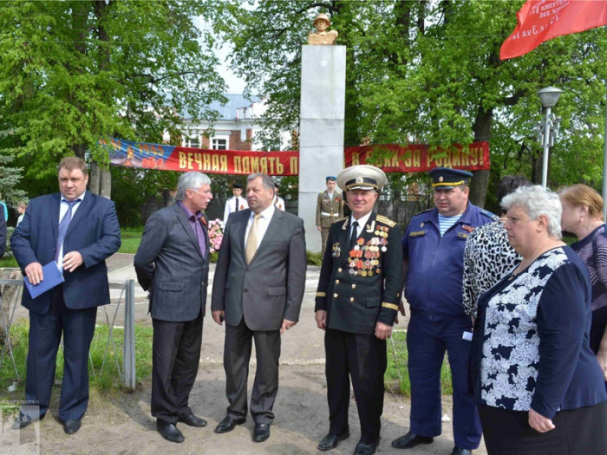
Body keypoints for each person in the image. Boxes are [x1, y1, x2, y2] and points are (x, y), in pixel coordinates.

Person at [470, 185, 607, 454]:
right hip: (509, 401)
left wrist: (544, 405)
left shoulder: (561, 269)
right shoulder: (529, 261)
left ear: (541, 223)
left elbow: (563, 343)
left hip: (550, 412)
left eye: (514, 219)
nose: (505, 225)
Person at [11, 157, 121, 434]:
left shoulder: (103, 206)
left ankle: (72, 411)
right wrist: (30, 263)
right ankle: (34, 407)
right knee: (39, 353)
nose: (68, 185)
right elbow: (20, 238)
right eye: (63, 179)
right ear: (58, 179)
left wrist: (86, 255)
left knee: (76, 353)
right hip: (43, 291)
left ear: (85, 179)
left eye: (74, 180)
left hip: (81, 292)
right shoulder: (38, 205)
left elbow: (112, 239)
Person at [395, 167, 497, 455]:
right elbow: (403, 259)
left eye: (449, 190)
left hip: (464, 321)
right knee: (421, 377)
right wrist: (396, 295)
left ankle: (465, 443)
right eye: (438, 190)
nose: (441, 196)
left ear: (464, 192)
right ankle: (423, 429)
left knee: (465, 383)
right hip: (423, 318)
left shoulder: (485, 224)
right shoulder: (420, 222)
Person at [211, 172, 306, 443]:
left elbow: (296, 273)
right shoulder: (235, 219)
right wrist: (217, 302)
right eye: (248, 190)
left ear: (270, 192)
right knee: (233, 363)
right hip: (235, 306)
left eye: (255, 190)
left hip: (270, 307)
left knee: (267, 366)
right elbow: (224, 265)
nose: (250, 194)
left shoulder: (291, 224)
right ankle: (235, 412)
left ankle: (262, 416)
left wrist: (291, 312)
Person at [315, 165, 403, 455]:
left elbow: (394, 279)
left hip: (367, 320)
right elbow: (328, 268)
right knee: (336, 379)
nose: (359, 198)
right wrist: (320, 306)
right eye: (353, 192)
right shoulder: (339, 228)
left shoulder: (388, 230)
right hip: (337, 316)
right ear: (345, 196)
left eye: (365, 192)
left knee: (367, 382)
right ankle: (337, 428)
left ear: (375, 195)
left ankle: (369, 435)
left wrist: (386, 318)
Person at [134, 172, 213, 443]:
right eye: (206, 191)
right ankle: (165, 417)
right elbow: (143, 261)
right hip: (169, 304)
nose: (210, 195)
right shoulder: (163, 219)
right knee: (165, 363)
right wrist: (157, 288)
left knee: (188, 361)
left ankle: (180, 407)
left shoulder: (201, 220)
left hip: (195, 304)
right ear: (189, 193)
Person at [462, 175, 530, 319]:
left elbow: (468, 291)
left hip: (483, 319)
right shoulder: (526, 238)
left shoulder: (475, 235)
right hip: (518, 321)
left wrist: (474, 319)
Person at [559, 184, 607, 386]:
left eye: (561, 208)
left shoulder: (601, 241)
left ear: (583, 209)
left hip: (599, 342)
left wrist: (604, 352)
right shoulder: (580, 244)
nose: (556, 214)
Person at [316, 176, 344, 253]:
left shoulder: (339, 195)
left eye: (333, 183)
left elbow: (341, 210)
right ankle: (325, 262)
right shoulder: (321, 195)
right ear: (326, 184)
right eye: (329, 183)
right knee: (325, 243)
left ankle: (334, 261)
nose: (331, 185)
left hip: (336, 221)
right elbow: (318, 209)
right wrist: (318, 223)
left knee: (336, 242)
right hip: (324, 222)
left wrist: (341, 222)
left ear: (335, 184)